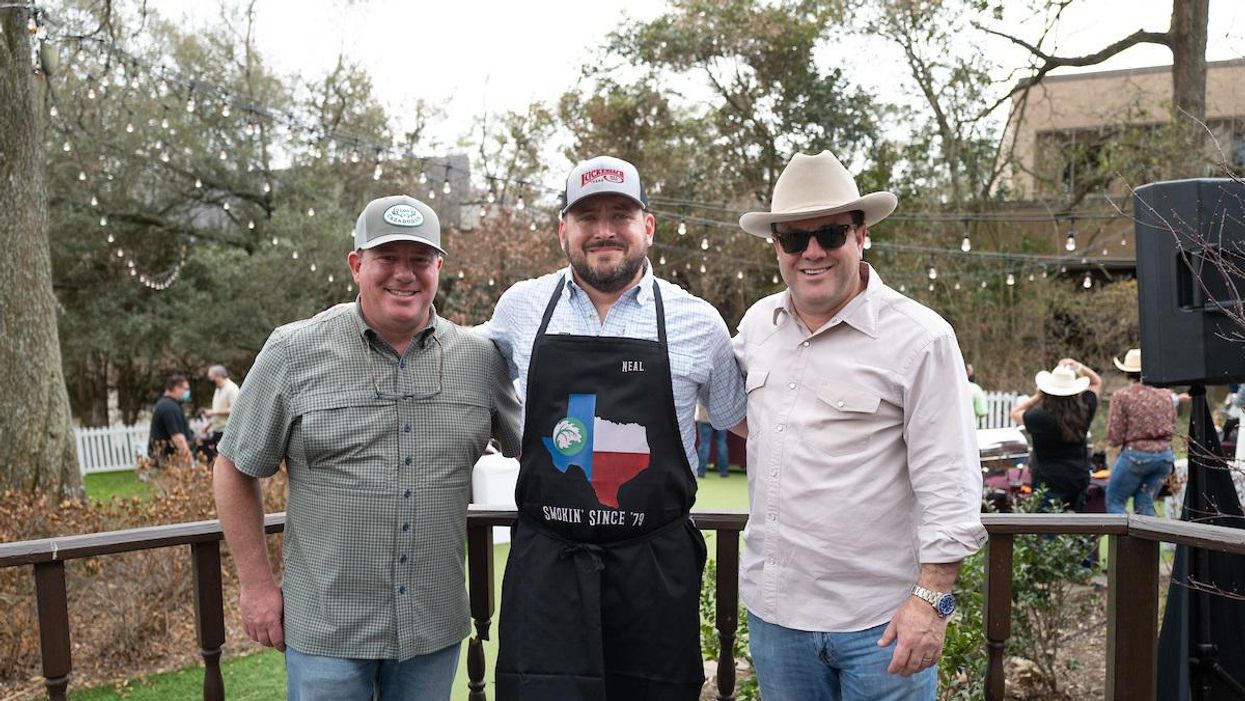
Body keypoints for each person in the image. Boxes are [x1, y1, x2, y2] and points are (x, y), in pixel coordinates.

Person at [213, 195, 520, 701]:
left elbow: (540, 451)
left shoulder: (479, 360)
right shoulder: (293, 350)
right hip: (326, 632)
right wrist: (257, 586)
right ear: (357, 265)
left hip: (432, 630)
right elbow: (234, 468)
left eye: (419, 260)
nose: (405, 274)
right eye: (387, 259)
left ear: (438, 268)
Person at [483, 155, 747, 700]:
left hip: (654, 570)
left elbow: (747, 423)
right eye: (587, 216)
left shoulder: (697, 320)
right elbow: (466, 379)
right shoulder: (520, 309)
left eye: (620, 215)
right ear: (564, 230)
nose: (604, 230)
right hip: (548, 568)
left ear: (647, 226)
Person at [733, 150, 987, 700]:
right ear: (776, 246)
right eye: (794, 239)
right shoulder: (757, 325)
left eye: (829, 233)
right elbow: (739, 416)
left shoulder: (921, 338)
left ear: (860, 234)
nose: (813, 252)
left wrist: (933, 601)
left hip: (882, 624)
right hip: (776, 617)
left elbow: (952, 481)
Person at [1010, 359, 1103, 512]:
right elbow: (1096, 382)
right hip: (1077, 477)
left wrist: (1037, 396)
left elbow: (1015, 413)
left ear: (1047, 391)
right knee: (1075, 526)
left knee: (1048, 528)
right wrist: (1079, 367)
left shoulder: (1039, 418)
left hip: (1047, 480)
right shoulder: (1084, 411)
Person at [1104, 348, 1177, 516]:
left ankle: (1123, 541)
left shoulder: (1122, 396)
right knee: (1145, 502)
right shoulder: (1166, 394)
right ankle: (1149, 542)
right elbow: (1172, 427)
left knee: (1115, 500)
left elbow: (1114, 436)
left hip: (1135, 456)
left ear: (1127, 372)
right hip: (1164, 457)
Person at [148, 374, 193, 468]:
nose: (187, 392)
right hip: (169, 459)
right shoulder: (170, 408)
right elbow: (177, 436)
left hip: (163, 457)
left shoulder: (165, 404)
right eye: (185, 389)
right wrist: (188, 459)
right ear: (176, 388)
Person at [200, 365, 239, 461]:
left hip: (227, 431)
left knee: (224, 461)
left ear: (218, 376)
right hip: (216, 430)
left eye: (211, 377)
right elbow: (217, 409)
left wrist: (213, 413)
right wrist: (209, 425)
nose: (210, 380)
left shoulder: (231, 389)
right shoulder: (218, 389)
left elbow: (234, 410)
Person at [696, 401, 731, 478]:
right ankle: (724, 471)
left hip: (704, 416)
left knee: (704, 444)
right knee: (722, 443)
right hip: (721, 416)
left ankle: (701, 471)